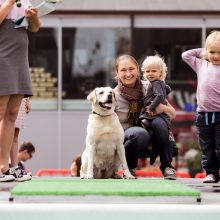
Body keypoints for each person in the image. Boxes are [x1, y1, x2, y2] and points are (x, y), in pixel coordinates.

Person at [113, 54, 177, 180]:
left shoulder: (150, 86)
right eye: (123, 70)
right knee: (140, 133)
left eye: (131, 69)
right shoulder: (113, 95)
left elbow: (172, 113)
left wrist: (161, 109)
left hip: (153, 135)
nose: (128, 74)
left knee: (161, 124)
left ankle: (167, 167)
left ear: (138, 69)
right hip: (130, 137)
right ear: (117, 73)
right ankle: (130, 168)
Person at [0, 0, 41, 182]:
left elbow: (34, 29)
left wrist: (34, 18)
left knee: (12, 115)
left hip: (20, 60)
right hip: (2, 57)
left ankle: (6, 167)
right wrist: (8, 3)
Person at [182, 30, 220, 183]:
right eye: (212, 52)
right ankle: (211, 173)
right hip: (203, 114)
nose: (216, 56)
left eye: (219, 52)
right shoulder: (201, 64)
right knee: (206, 146)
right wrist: (204, 51)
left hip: (219, 114)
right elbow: (185, 55)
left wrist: (211, 48)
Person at [10, 98, 32, 181]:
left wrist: (27, 99)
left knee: (15, 133)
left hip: (19, 93)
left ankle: (14, 169)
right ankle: (4, 168)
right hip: (7, 91)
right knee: (7, 130)